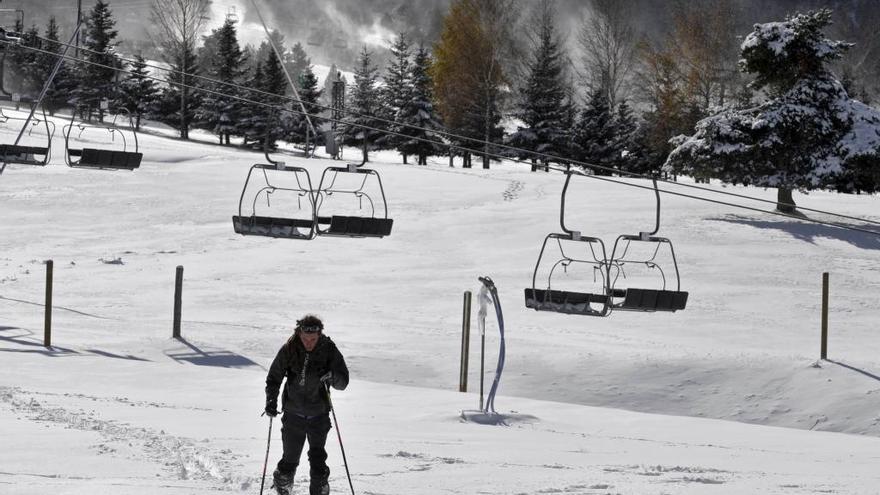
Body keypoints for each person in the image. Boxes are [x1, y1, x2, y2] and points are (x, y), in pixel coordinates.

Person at [265, 314, 349, 495]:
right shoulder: (290, 348)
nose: (308, 343)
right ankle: (283, 484)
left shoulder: (328, 349)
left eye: (312, 339)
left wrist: (332, 375)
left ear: (319, 335)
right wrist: (271, 400)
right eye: (305, 339)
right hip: (293, 414)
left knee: (318, 464)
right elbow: (274, 377)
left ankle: (319, 488)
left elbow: (343, 382)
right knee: (289, 462)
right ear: (299, 334)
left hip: (319, 415)